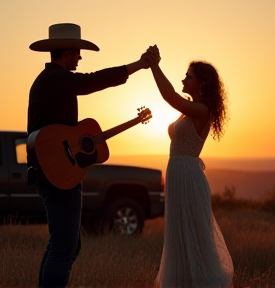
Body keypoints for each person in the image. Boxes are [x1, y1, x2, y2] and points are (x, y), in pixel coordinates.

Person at [27, 23, 151, 288]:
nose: (80, 58)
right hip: (58, 175)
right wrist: (138, 65)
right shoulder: (56, 79)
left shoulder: (49, 80)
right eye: (78, 52)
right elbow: (93, 81)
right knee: (64, 248)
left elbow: (58, 134)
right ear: (67, 53)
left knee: (65, 246)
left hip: (54, 172)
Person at [145, 45, 234, 288]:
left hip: (188, 176)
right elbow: (175, 100)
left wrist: (154, 65)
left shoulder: (200, 110)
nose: (184, 78)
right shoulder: (190, 108)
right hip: (178, 174)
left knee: (194, 233)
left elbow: (169, 96)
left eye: (189, 76)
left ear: (201, 83)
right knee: (180, 233)